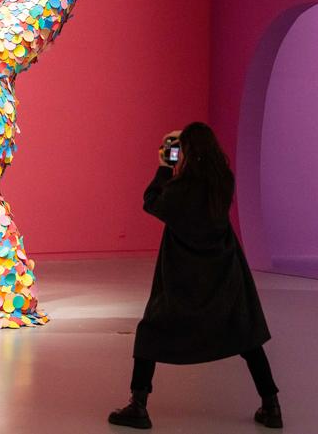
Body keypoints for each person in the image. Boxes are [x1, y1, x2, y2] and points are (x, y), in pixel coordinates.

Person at [108, 122, 282, 429]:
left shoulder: (179, 191)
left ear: (184, 152)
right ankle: (272, 406)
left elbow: (151, 201)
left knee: (150, 333)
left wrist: (165, 166)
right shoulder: (223, 183)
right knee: (247, 336)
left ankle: (138, 405)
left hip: (183, 278)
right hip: (224, 275)